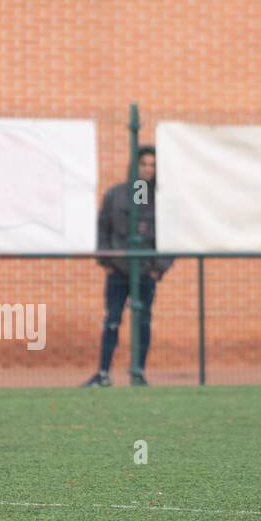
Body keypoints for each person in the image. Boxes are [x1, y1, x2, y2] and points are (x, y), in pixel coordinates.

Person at [82, 145, 171, 387]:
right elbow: (103, 228)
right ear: (135, 165)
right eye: (144, 164)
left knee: (142, 321)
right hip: (119, 270)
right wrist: (105, 261)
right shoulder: (116, 195)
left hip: (145, 272)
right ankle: (103, 373)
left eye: (153, 165)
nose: (148, 169)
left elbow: (170, 236)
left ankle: (138, 372)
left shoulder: (162, 199)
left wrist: (158, 267)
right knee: (112, 319)